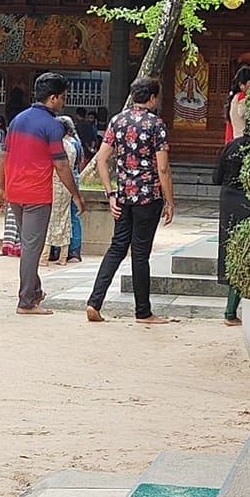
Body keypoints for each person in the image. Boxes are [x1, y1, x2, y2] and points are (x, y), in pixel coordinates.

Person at [85, 77, 176, 324]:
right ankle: (143, 311)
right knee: (140, 253)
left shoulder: (118, 120)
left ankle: (95, 301)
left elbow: (102, 159)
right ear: (153, 98)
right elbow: (163, 167)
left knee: (117, 247)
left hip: (123, 196)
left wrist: (110, 192)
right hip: (148, 196)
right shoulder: (156, 124)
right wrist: (170, 200)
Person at [0, 73, 82, 314]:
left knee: (29, 245)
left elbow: (3, 155)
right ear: (53, 98)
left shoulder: (17, 120)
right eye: (63, 98)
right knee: (32, 248)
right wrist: (75, 194)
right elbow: (62, 164)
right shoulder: (53, 125)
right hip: (36, 192)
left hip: (15, 190)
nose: (64, 102)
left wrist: (1, 186)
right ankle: (26, 301)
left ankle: (34, 291)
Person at [213, 132, 250, 326]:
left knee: (230, 250)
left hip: (228, 199)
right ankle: (231, 311)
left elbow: (216, 177)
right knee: (246, 253)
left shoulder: (231, 146)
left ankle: (231, 310)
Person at [46, 124, 83, 263]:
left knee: (54, 218)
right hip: (69, 184)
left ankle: (50, 253)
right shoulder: (74, 145)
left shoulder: (59, 145)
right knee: (67, 218)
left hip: (58, 182)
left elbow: (61, 166)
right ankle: (67, 253)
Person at [226, 63, 250, 144]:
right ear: (241, 85)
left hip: (237, 141)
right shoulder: (242, 97)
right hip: (243, 142)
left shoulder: (235, 97)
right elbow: (244, 113)